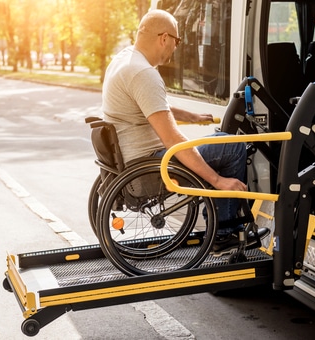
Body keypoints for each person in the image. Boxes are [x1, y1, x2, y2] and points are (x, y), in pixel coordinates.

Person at [101, 9, 268, 256]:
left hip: (133, 163)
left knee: (221, 141)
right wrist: (218, 181)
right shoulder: (143, 74)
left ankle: (220, 220)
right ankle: (223, 233)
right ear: (164, 38)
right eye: (177, 41)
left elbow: (152, 106)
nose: (176, 47)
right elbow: (173, 140)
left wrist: (191, 116)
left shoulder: (124, 60)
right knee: (233, 147)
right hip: (151, 168)